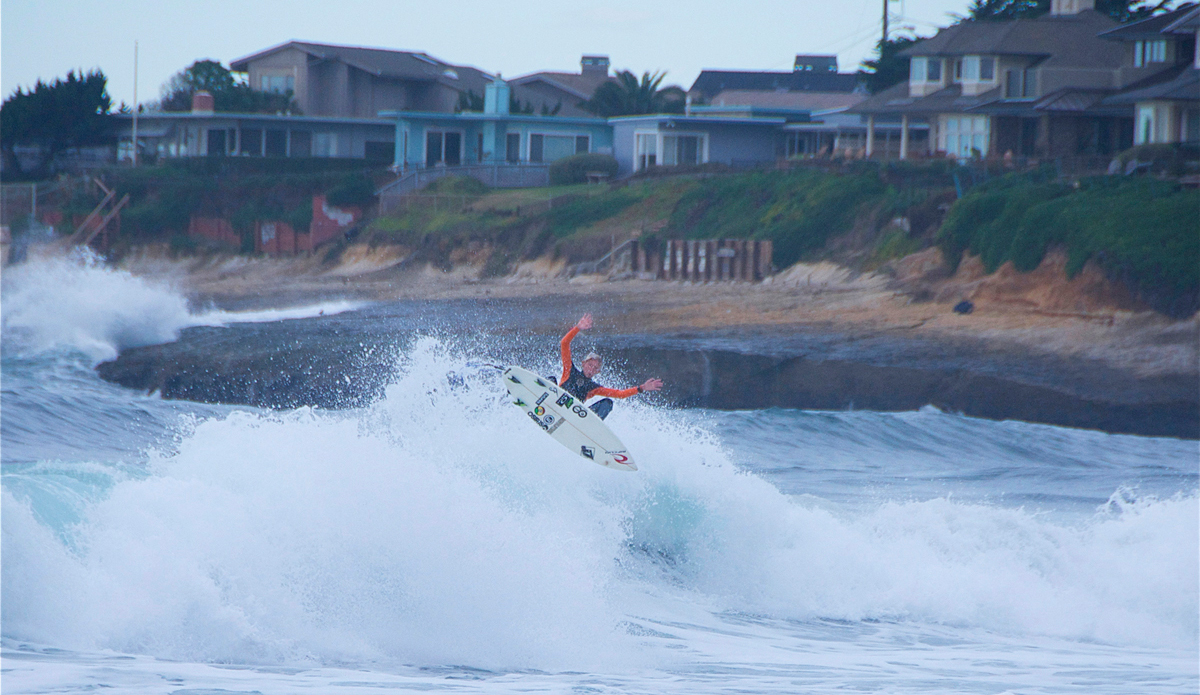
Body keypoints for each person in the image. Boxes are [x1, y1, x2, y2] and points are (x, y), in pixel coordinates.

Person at [555, 313, 662, 419]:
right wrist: (577, 328)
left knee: (608, 403)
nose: (591, 369)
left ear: (598, 372)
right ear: (583, 364)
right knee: (549, 380)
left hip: (572, 416)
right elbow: (564, 344)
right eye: (590, 365)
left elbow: (620, 394)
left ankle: (589, 427)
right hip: (554, 402)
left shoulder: (594, 388)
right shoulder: (569, 370)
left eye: (595, 368)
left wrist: (642, 388)